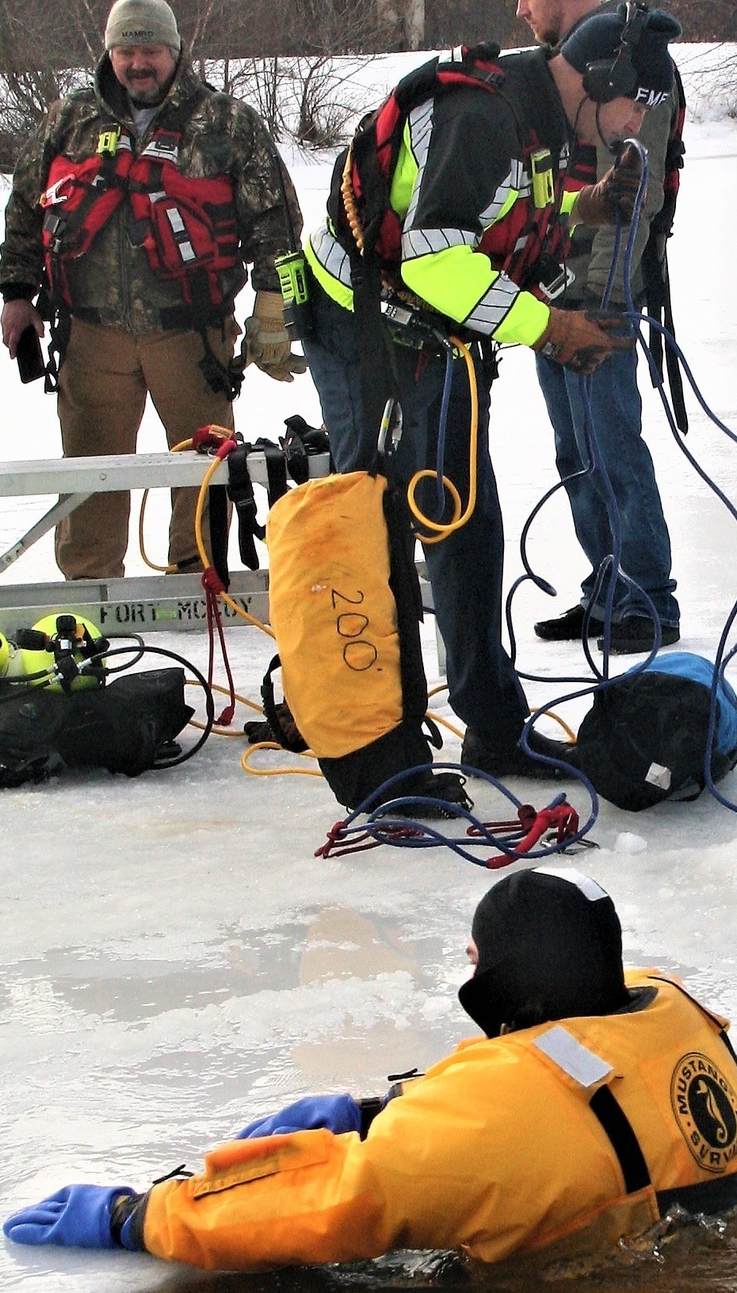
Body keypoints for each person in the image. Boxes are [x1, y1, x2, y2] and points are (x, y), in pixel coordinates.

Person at [3, 867, 737, 1269]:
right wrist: (377, 1107)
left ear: (507, 982)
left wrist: (140, 1215)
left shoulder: (494, 1122)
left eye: (477, 960)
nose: (469, 970)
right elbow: (548, 1069)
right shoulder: (667, 1005)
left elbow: (331, 1202)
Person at [300, 11, 678, 780]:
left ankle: (495, 729)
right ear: (598, 80)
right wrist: (548, 328)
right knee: (382, 522)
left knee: (466, 519)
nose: (639, 122)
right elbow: (433, 259)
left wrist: (589, 207)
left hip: (438, 329)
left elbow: (500, 216)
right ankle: (380, 748)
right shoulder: (485, 115)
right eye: (635, 103)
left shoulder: (544, 115)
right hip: (363, 323)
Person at [0, 0, 304, 581]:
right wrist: (16, 292)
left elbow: (276, 220)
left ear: (174, 51)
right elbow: (24, 207)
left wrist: (273, 305)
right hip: (90, 334)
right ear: (110, 51)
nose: (138, 64)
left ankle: (200, 582)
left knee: (203, 471)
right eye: (126, 51)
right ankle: (90, 595)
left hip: (191, 335)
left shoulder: (228, 122)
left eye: (150, 51)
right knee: (90, 472)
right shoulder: (69, 120)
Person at [517, 0, 681, 653]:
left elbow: (635, 197)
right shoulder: (564, 65)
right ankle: (608, 590)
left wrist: (600, 300)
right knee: (574, 451)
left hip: (599, 297)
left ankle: (647, 599)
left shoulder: (634, 62)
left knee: (611, 444)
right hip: (548, 295)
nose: (521, 9)